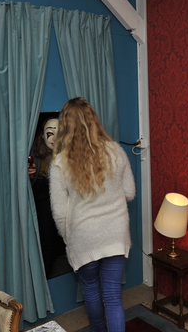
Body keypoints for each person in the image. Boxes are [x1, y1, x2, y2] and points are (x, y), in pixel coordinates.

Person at [49, 97, 135, 332]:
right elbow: (129, 193)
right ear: (94, 120)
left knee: (91, 288)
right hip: (115, 233)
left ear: (65, 125)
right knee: (113, 296)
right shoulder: (116, 151)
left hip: (84, 235)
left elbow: (59, 213)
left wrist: (69, 240)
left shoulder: (60, 162)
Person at [28, 116, 67, 277]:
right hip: (41, 195)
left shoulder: (67, 151)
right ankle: (45, 272)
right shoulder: (34, 151)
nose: (54, 138)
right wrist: (27, 174)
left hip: (60, 194)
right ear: (42, 135)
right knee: (46, 234)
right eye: (50, 133)